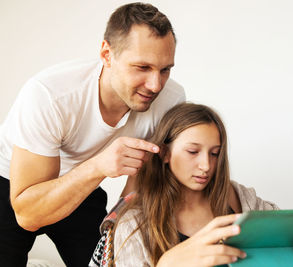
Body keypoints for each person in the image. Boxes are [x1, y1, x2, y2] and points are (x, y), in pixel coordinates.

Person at [0, 3, 185, 266]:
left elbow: (141, 183)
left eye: (165, 69)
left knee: (109, 261)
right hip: (14, 187)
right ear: (107, 54)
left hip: (82, 188)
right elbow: (28, 215)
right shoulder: (50, 95)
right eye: (142, 67)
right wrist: (99, 165)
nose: (155, 85)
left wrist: (120, 231)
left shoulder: (170, 100)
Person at [91, 103, 293, 267]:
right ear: (165, 154)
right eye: (193, 152)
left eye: (214, 153)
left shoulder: (240, 198)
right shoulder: (133, 222)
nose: (206, 165)